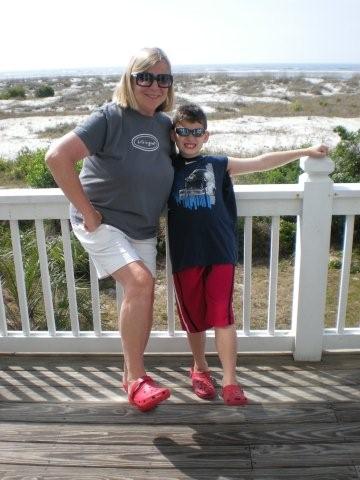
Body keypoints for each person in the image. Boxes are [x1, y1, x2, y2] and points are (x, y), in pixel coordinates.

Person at [167, 103, 329, 406]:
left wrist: (304, 151)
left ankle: (230, 379)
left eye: (196, 131)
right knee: (194, 319)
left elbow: (261, 161)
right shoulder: (166, 168)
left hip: (219, 252)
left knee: (222, 315)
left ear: (206, 135)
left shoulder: (218, 163)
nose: (190, 137)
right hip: (185, 254)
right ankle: (200, 368)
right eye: (183, 131)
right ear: (174, 134)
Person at [45, 47, 175, 412]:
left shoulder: (165, 126)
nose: (154, 85)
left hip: (142, 226)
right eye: (145, 77)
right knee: (141, 282)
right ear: (130, 79)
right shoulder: (110, 116)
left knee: (143, 296)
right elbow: (57, 156)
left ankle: (130, 377)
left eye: (162, 78)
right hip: (102, 222)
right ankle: (137, 379)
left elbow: (195, 157)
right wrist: (87, 212)